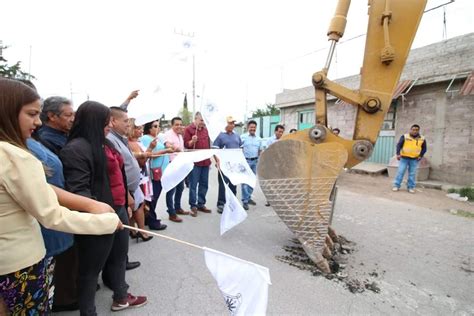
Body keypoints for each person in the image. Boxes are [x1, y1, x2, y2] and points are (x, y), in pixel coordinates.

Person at [0, 78, 121, 315]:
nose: (38, 121)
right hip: (20, 265)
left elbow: (40, 190)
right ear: (7, 111)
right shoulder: (17, 157)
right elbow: (51, 216)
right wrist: (106, 221)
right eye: (32, 114)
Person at [61, 101, 147, 314]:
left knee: (119, 257)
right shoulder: (76, 149)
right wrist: (100, 213)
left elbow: (118, 174)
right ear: (92, 121)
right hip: (97, 216)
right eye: (105, 120)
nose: (109, 124)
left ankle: (121, 296)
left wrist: (126, 199)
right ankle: (88, 311)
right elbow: (78, 190)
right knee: (91, 269)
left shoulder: (105, 143)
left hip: (117, 208)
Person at [107, 107, 158, 242]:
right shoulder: (111, 140)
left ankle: (135, 231)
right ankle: (138, 233)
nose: (128, 125)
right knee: (135, 209)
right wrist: (127, 193)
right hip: (126, 189)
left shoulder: (120, 139)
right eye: (126, 121)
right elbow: (118, 168)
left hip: (130, 187)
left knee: (136, 207)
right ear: (113, 121)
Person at [141, 120, 174, 229]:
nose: (157, 128)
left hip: (161, 172)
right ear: (148, 128)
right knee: (152, 198)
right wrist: (165, 151)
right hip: (154, 172)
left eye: (158, 126)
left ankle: (148, 218)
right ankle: (152, 221)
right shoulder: (146, 138)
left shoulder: (157, 138)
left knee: (155, 196)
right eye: (155, 126)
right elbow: (148, 154)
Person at [183, 112, 212, 217]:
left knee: (204, 184)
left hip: (205, 161)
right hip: (195, 162)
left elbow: (208, 145)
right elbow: (186, 145)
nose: (203, 123)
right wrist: (192, 141)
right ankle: (193, 205)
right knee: (193, 184)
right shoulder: (188, 129)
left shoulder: (205, 130)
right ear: (195, 119)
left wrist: (212, 158)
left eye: (204, 121)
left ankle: (201, 203)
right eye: (201, 120)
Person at [213, 116, 242, 213]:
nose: (232, 125)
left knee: (233, 184)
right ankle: (221, 204)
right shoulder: (220, 135)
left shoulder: (237, 136)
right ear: (225, 124)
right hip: (224, 165)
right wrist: (217, 161)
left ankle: (232, 203)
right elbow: (215, 149)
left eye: (233, 123)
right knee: (223, 185)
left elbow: (241, 149)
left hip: (234, 166)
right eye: (230, 123)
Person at [164, 117, 190, 222]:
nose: (179, 126)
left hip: (180, 165)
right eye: (176, 124)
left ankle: (177, 208)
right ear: (172, 125)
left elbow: (182, 149)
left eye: (180, 124)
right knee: (171, 189)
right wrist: (176, 148)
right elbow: (168, 145)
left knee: (180, 188)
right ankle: (171, 213)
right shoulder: (168, 134)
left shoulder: (180, 135)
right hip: (172, 165)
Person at [392, 124, 427, 193]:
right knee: (400, 172)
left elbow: (424, 148)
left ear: (418, 130)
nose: (415, 131)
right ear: (410, 130)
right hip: (404, 158)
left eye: (416, 130)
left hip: (414, 159)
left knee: (412, 174)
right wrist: (398, 154)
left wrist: (420, 155)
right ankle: (396, 185)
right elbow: (399, 145)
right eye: (413, 130)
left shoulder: (422, 138)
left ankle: (410, 187)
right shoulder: (405, 136)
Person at [240, 120, 262, 210]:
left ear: (256, 128)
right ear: (248, 127)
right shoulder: (242, 137)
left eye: (254, 127)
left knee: (252, 181)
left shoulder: (259, 139)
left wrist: (258, 160)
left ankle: (248, 197)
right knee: (244, 181)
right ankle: (245, 201)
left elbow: (260, 151)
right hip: (245, 161)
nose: (252, 129)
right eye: (251, 127)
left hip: (255, 161)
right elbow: (239, 149)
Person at [264, 124, 285, 207]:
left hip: (280, 164)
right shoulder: (269, 140)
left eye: (282, 132)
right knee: (270, 182)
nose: (280, 133)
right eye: (279, 132)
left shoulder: (283, 140)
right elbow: (266, 151)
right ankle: (269, 200)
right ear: (275, 131)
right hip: (271, 163)